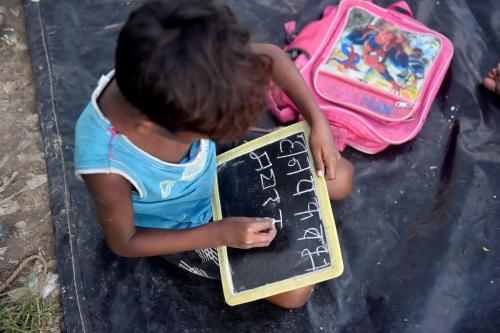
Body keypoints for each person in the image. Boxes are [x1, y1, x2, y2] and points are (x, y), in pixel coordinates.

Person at [74, 0, 353, 309]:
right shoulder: (108, 166)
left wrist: (318, 122)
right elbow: (124, 241)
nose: (210, 137)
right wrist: (220, 233)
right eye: (205, 132)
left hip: (218, 169)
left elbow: (272, 57)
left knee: (340, 177)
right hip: (187, 227)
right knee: (294, 294)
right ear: (150, 126)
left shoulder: (194, 60)